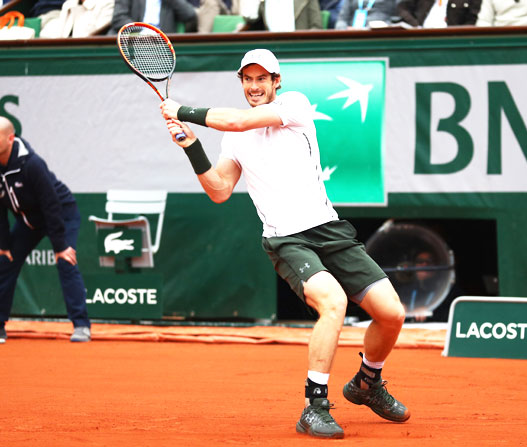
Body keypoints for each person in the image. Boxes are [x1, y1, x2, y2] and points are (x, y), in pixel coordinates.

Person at [159, 49, 409, 438]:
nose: (255, 86)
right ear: (241, 82)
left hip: (329, 229)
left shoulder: (294, 105)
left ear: (277, 82)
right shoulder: (234, 139)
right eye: (248, 79)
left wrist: (182, 110)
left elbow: (239, 120)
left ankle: (367, 384)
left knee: (391, 313)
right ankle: (315, 406)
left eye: (262, 79)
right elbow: (220, 190)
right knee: (333, 303)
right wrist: (193, 147)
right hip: (286, 239)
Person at [0, 117, 91, 343]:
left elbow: (51, 204)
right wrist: (4, 245)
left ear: (10, 138)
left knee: (65, 260)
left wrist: (60, 247)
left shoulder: (31, 164)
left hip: (61, 213)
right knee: (6, 260)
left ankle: (81, 326)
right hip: (29, 220)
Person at [110, 0, 198, 33]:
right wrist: (142, 30)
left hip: (162, 43)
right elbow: (119, 18)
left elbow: (189, 14)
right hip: (133, 39)